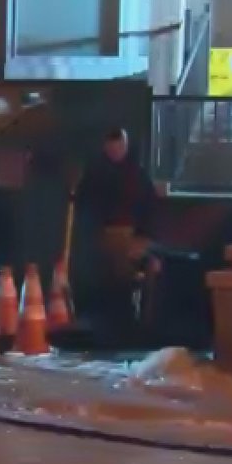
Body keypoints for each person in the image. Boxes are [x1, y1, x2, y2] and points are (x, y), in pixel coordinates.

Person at [75, 127, 161, 329]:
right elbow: (85, 209)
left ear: (126, 146)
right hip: (100, 237)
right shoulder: (94, 175)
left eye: (120, 146)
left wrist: (143, 237)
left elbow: (149, 209)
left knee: (129, 274)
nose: (116, 151)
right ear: (106, 147)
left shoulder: (137, 176)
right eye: (113, 147)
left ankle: (128, 320)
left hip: (131, 236)